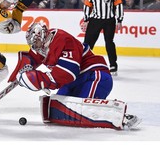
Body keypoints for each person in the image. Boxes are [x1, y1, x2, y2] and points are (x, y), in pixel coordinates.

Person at [9, 22, 140, 129]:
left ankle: (121, 115)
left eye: (36, 44)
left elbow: (67, 73)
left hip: (94, 75)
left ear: (43, 37)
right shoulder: (42, 45)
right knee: (56, 108)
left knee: (82, 110)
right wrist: (21, 72)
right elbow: (31, 58)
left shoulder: (62, 40)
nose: (35, 47)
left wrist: (39, 79)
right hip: (75, 81)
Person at [81, 0, 124, 75]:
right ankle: (83, 63)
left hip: (109, 20)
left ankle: (113, 65)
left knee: (109, 42)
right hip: (95, 20)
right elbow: (87, 6)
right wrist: (86, 20)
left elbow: (118, 5)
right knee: (88, 43)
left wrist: (119, 20)